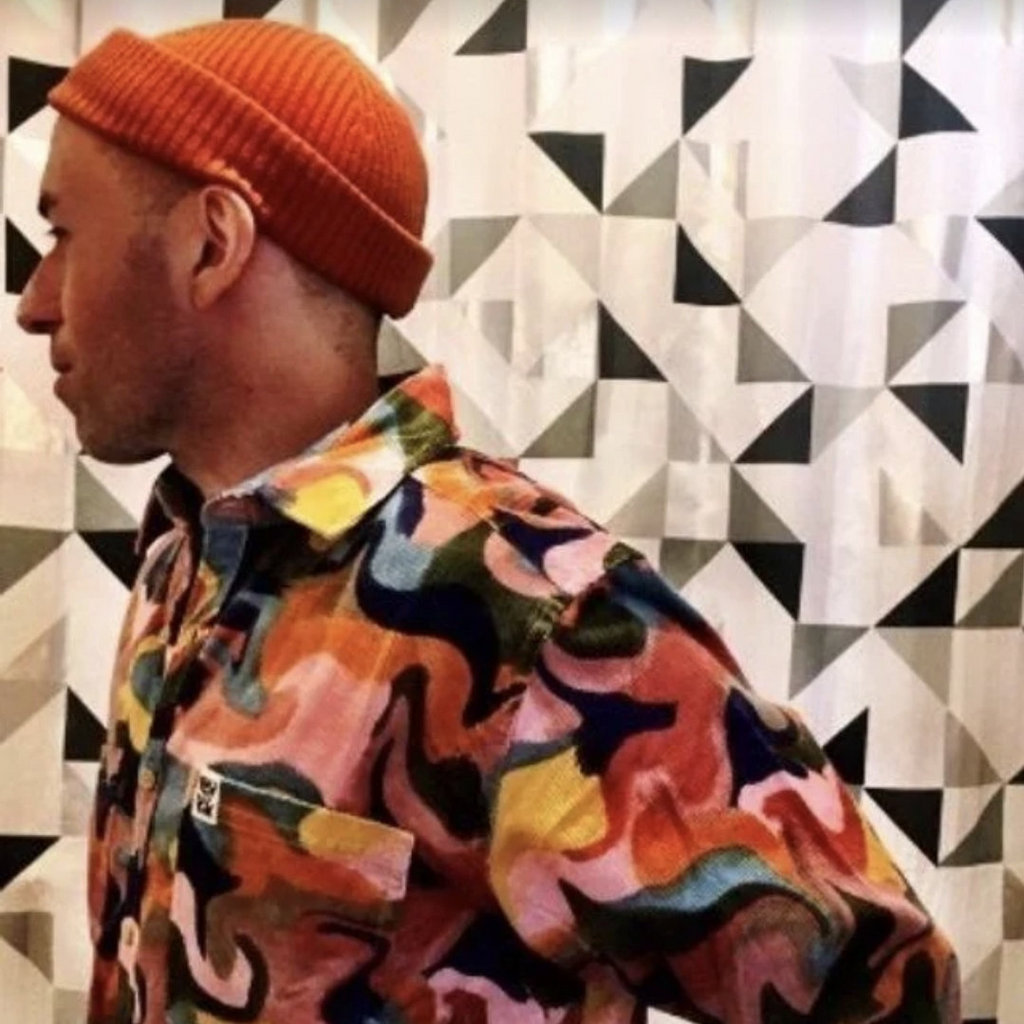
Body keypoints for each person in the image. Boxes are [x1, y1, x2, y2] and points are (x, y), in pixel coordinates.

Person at [14, 17, 959, 1024]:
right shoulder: (186, 560)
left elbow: (882, 994)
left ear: (213, 243)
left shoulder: (531, 611)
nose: (34, 302)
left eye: (63, 235)